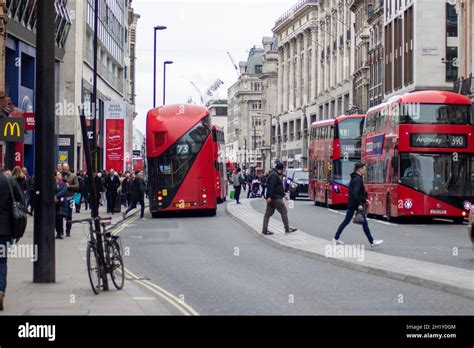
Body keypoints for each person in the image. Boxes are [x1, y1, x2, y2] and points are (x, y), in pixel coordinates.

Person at [333, 162, 383, 247]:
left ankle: (336, 238)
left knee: (347, 221)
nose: (365, 170)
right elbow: (355, 193)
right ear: (359, 169)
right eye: (364, 168)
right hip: (355, 204)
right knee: (363, 222)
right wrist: (360, 203)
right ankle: (372, 241)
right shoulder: (358, 179)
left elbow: (356, 192)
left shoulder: (355, 178)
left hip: (353, 203)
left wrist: (364, 199)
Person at [0, 169, 24, 311]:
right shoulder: (9, 181)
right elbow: (20, 202)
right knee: (2, 260)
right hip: (5, 228)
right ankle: (1, 290)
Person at [262, 162, 297, 235]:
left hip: (272, 197)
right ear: (280, 169)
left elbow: (277, 187)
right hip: (275, 198)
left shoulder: (273, 174)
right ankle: (287, 228)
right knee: (284, 211)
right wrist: (270, 197)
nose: (283, 171)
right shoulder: (274, 176)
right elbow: (272, 187)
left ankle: (264, 230)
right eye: (283, 169)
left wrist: (283, 195)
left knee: (268, 214)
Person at [61, 163, 79, 237]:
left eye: (65, 169)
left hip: (71, 198)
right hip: (62, 199)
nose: (64, 170)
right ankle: (61, 231)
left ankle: (68, 231)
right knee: (60, 215)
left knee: (69, 215)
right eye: (63, 169)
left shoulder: (73, 176)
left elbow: (77, 186)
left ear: (68, 168)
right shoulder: (60, 175)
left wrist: (70, 186)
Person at [54, 171, 68, 239]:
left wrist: (56, 196)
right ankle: (57, 232)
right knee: (55, 218)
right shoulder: (53, 183)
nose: (60, 175)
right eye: (58, 174)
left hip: (61, 202)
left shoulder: (63, 183)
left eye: (60, 174)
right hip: (54, 203)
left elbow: (63, 191)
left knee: (60, 217)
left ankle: (61, 232)